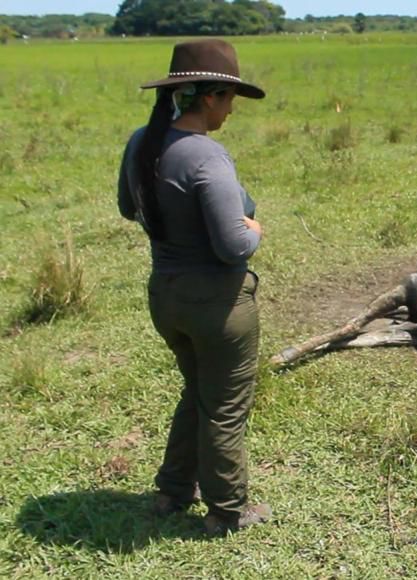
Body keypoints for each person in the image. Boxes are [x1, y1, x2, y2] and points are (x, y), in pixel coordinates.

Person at [117, 39, 270, 534]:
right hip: (218, 304)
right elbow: (232, 245)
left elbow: (127, 206)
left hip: (165, 296)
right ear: (209, 98)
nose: (231, 111)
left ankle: (173, 491)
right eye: (229, 100)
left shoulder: (143, 141)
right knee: (225, 407)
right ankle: (228, 511)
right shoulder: (207, 156)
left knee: (198, 393)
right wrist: (255, 232)